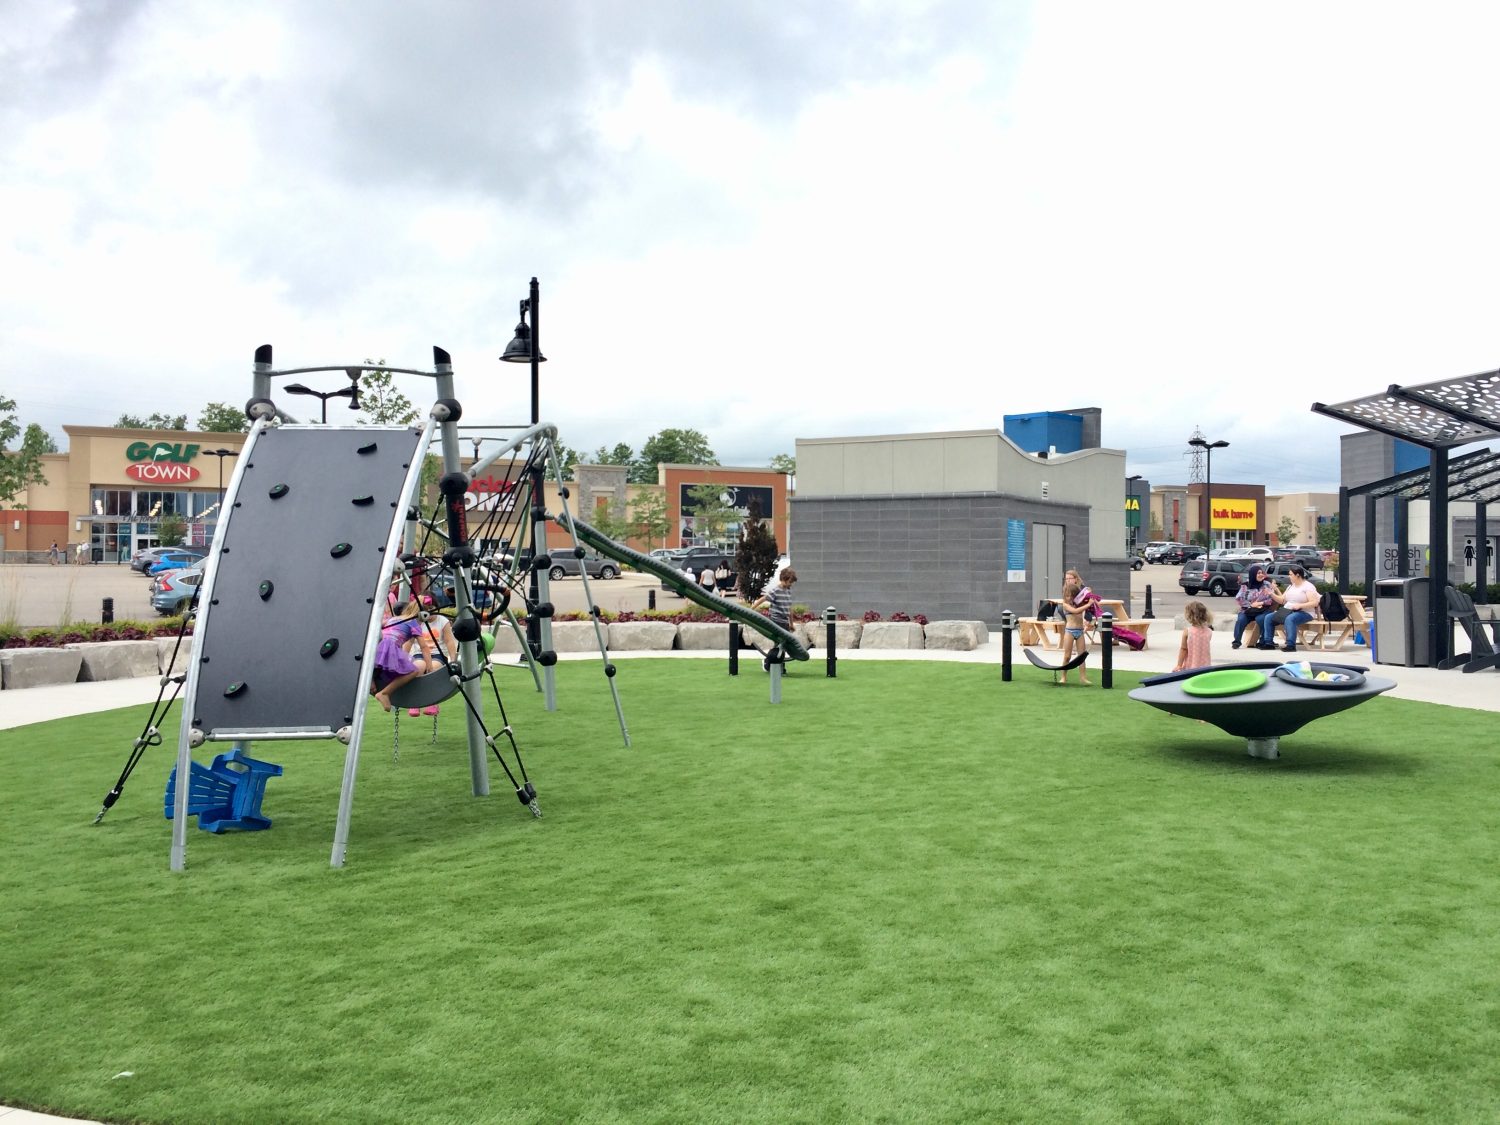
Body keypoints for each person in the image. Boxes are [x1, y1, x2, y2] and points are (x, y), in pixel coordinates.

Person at [371, 599, 427, 712]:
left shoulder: (392, 619)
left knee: (380, 664)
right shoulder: (414, 623)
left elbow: (376, 627)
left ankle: (372, 680)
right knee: (413, 671)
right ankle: (384, 693)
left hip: (378, 646)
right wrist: (429, 668)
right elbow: (424, 647)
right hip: (391, 647)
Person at [1257, 565, 1319, 652]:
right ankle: (1268, 643)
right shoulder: (1291, 586)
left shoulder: (1308, 586)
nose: (1289, 576)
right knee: (1268, 617)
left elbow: (1314, 602)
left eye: (1290, 574)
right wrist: (1271, 593)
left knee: (1290, 619)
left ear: (1297, 575)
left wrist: (1300, 606)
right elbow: (1282, 600)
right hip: (1288, 610)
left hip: (1305, 612)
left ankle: (1290, 645)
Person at [751, 566, 797, 671]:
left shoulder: (788, 591)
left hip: (784, 622)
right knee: (779, 644)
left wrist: (791, 623)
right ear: (783, 579)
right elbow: (763, 599)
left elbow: (789, 609)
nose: (791, 584)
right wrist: (752, 609)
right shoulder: (776, 590)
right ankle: (768, 664)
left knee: (783, 645)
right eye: (790, 582)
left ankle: (779, 665)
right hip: (776, 621)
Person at [1231, 564, 1276, 649]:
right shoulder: (1245, 586)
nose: (1261, 574)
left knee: (1261, 619)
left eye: (1261, 572)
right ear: (1253, 574)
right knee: (1241, 620)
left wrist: (1261, 603)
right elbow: (1239, 599)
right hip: (1248, 610)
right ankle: (1236, 641)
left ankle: (1262, 641)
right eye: (1258, 573)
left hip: (1262, 610)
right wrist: (1251, 604)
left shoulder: (1267, 585)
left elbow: (1271, 599)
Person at [1057, 580, 1091, 685]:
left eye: (1072, 596)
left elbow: (1088, 593)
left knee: (1081, 656)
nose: (1069, 598)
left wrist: (1088, 594)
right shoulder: (1065, 605)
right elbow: (1076, 611)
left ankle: (1083, 677)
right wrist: (1088, 604)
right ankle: (1063, 676)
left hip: (1080, 631)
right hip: (1070, 631)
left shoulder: (1079, 603)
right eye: (1067, 596)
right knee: (1067, 656)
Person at [1174, 600, 1214, 671]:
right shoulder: (1209, 632)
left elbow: (1183, 649)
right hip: (1206, 667)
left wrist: (1179, 665)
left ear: (1189, 616)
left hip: (1191, 667)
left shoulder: (1188, 632)